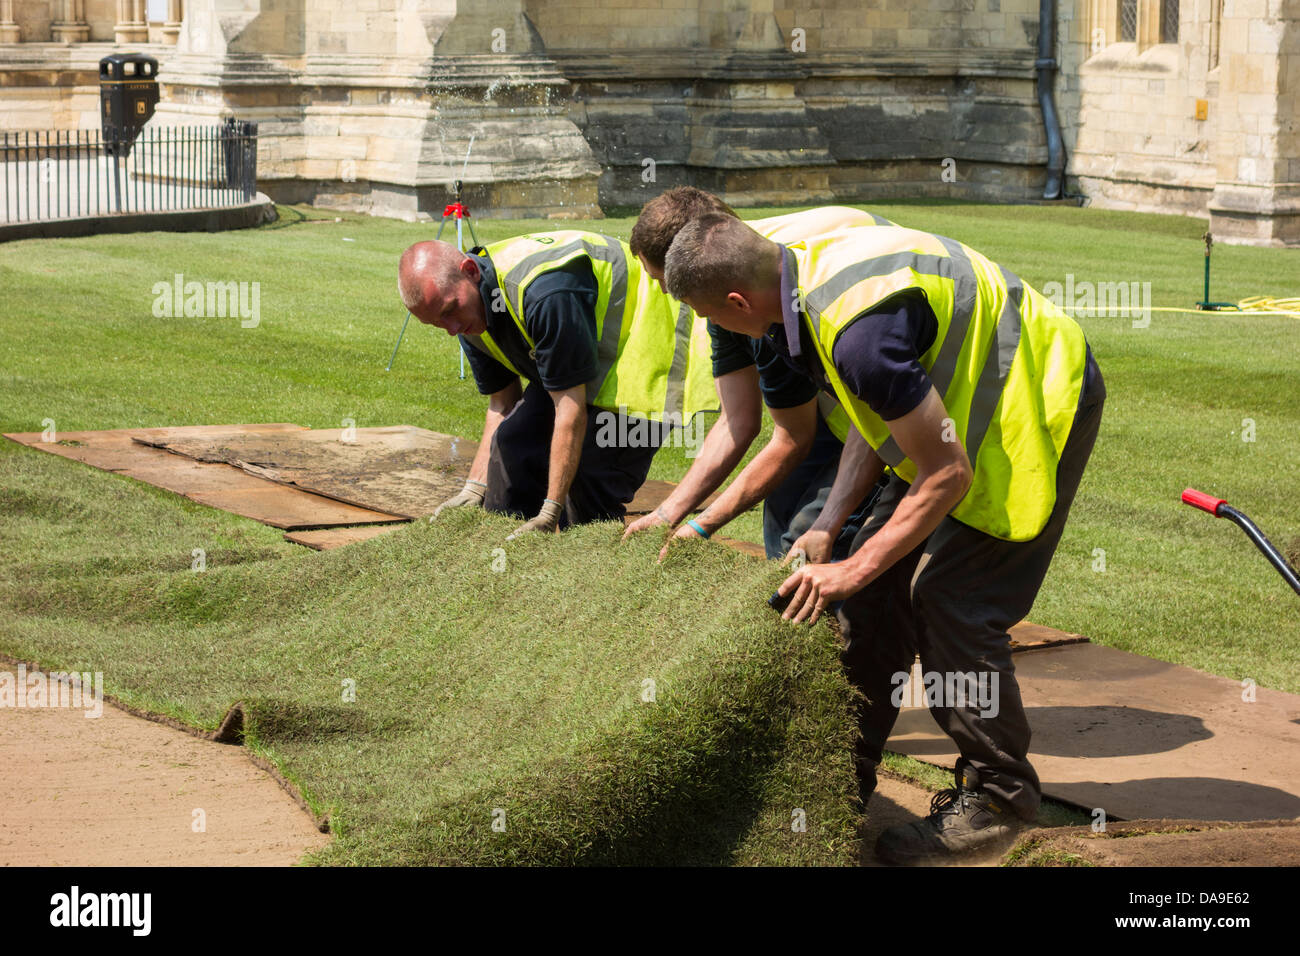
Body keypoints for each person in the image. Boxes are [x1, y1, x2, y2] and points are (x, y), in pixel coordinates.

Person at [662, 214, 1105, 864]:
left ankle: (1000, 802)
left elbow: (948, 472)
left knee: (951, 600)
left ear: (737, 303)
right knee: (867, 597)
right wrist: (828, 528)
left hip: (1031, 397)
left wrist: (851, 564)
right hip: (951, 418)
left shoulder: (853, 329)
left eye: (713, 320)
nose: (718, 332)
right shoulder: (795, 287)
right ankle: (836, 785)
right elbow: (879, 424)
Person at [624, 187, 894, 559]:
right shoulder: (724, 282)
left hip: (885, 395)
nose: (663, 292)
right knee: (782, 514)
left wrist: (701, 525)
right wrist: (668, 513)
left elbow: (792, 437)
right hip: (840, 401)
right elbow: (737, 421)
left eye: (662, 280)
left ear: (693, 257)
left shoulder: (757, 292)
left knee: (809, 543)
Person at [398, 231, 713, 537]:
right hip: (588, 360)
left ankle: (592, 575)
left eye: (450, 311)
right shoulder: (467, 314)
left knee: (590, 475)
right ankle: (505, 564)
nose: (451, 329)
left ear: (469, 271)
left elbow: (569, 410)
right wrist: (474, 487)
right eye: (437, 323)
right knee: (514, 447)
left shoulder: (544, 292)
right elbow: (502, 405)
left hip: (652, 358)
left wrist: (550, 510)